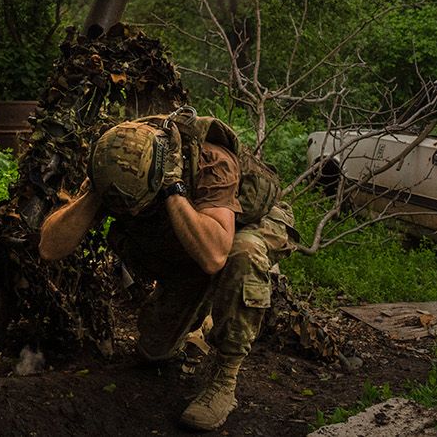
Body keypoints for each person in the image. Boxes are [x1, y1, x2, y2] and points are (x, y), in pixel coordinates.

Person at [39, 111, 294, 431]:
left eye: (138, 205)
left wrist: (173, 188)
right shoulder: (116, 161)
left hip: (245, 224)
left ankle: (224, 378)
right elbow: (50, 247)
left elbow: (216, 255)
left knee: (242, 255)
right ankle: (200, 313)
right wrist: (94, 194)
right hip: (194, 238)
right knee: (154, 351)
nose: (130, 213)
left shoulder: (210, 162)